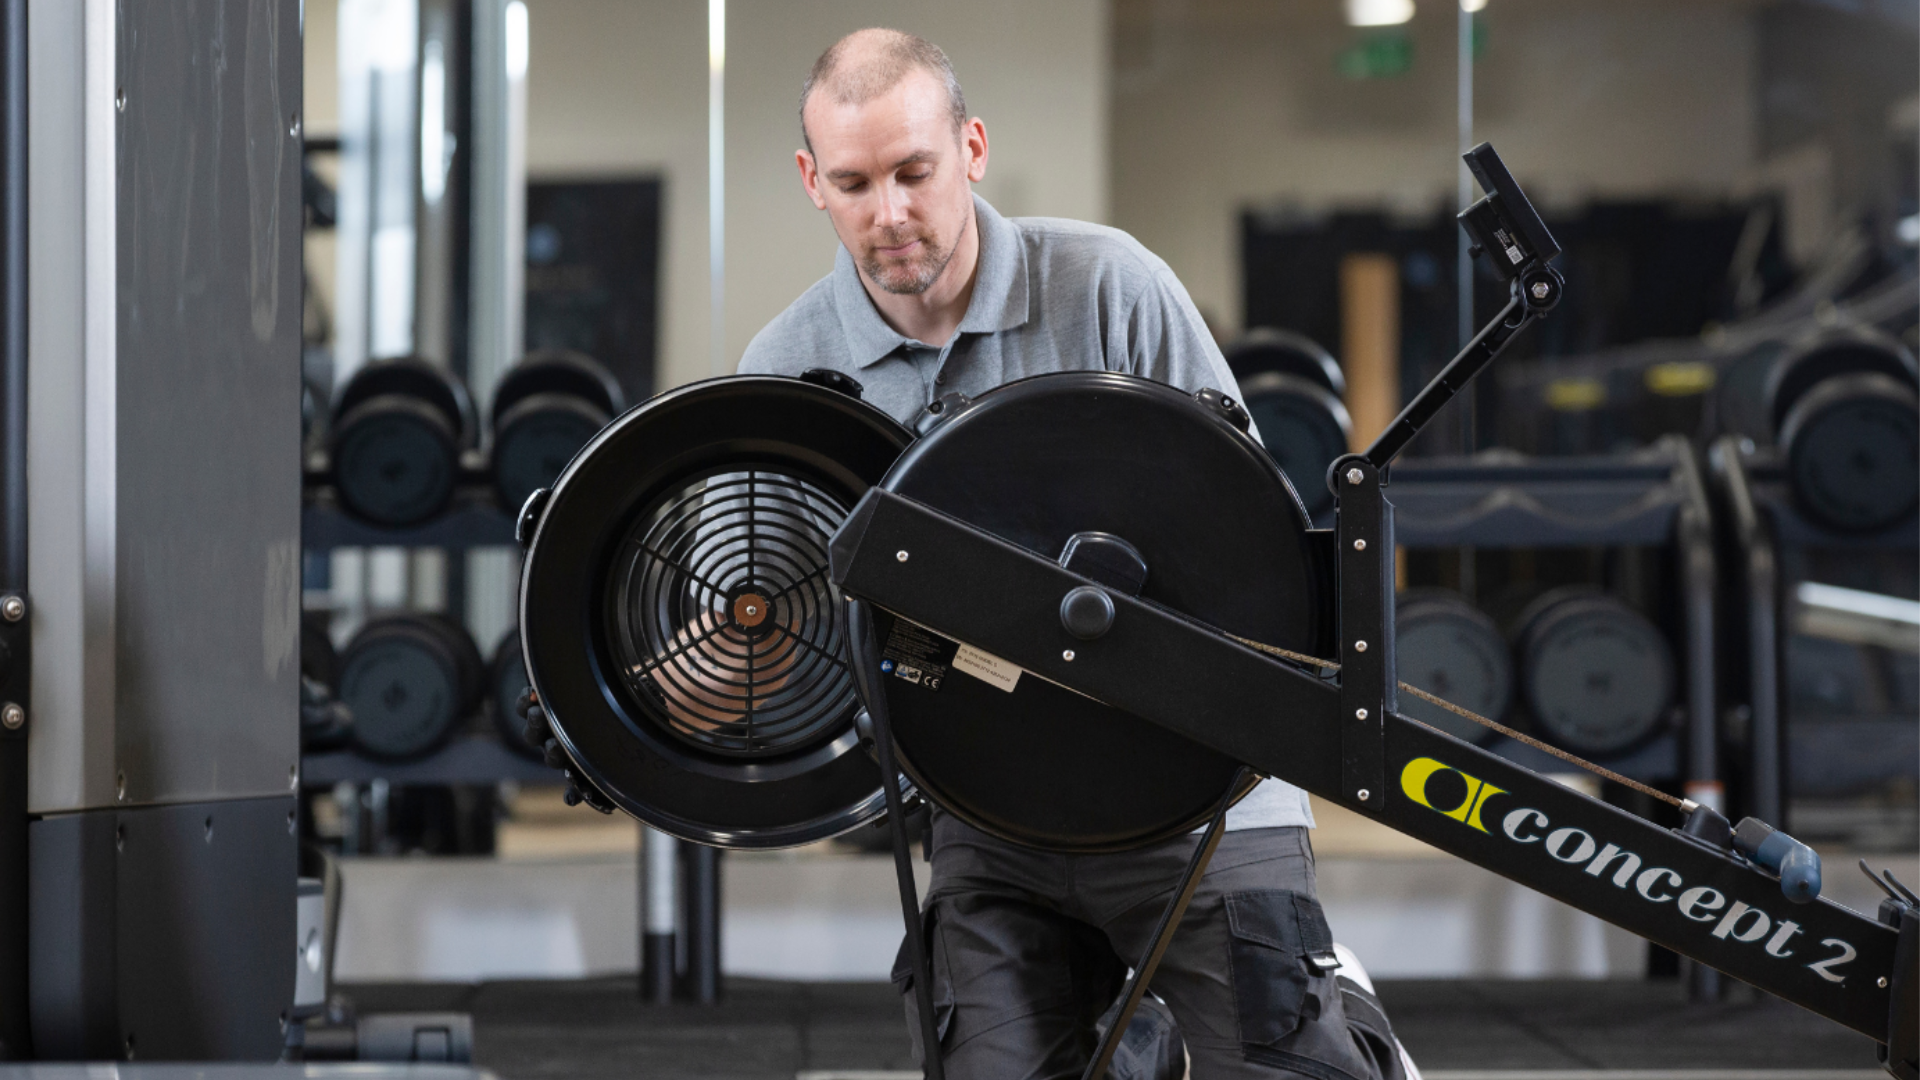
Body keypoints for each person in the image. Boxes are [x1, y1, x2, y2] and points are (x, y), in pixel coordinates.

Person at [738, 28, 1414, 1080]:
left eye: (915, 172)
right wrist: (699, 673)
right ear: (811, 180)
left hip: (1199, 783)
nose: (891, 214)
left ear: (971, 148)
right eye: (856, 184)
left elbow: (1252, 546)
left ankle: (1330, 1009)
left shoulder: (1110, 287)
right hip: (992, 809)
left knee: (1282, 1064)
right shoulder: (788, 367)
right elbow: (779, 613)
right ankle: (1133, 1044)